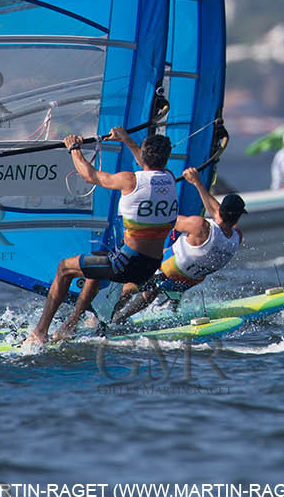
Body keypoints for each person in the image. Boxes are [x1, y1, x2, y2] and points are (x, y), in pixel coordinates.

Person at [27, 127, 177, 345]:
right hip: (151, 266)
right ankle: (70, 324)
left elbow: (89, 176)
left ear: (145, 155)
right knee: (97, 260)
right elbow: (146, 165)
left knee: (64, 268)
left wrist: (73, 148)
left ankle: (40, 332)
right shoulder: (169, 178)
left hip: (126, 264)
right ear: (166, 158)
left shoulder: (129, 181)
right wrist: (125, 139)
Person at [107, 168, 246, 325]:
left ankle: (106, 316)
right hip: (184, 284)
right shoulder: (236, 236)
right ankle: (120, 319)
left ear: (221, 210)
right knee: (151, 291)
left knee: (132, 284)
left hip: (166, 272)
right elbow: (217, 213)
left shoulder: (199, 226)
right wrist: (197, 183)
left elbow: (167, 218)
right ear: (238, 217)